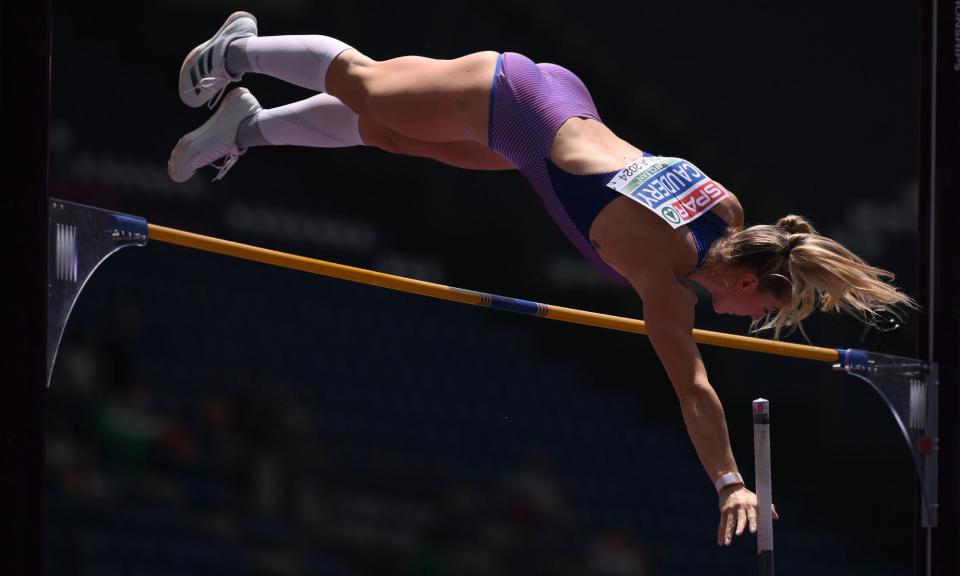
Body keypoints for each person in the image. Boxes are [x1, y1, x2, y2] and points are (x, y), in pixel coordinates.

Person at [168, 11, 914, 547]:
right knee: (367, 84)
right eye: (764, 307)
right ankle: (240, 50)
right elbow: (694, 389)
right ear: (750, 278)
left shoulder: (726, 209)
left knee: (396, 137)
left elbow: (669, 211)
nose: (748, 319)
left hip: (551, 112)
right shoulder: (663, 276)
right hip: (513, 100)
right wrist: (730, 482)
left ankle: (243, 127)